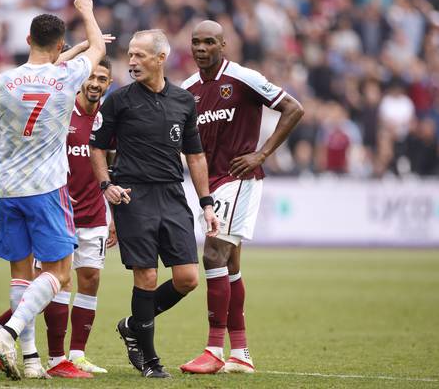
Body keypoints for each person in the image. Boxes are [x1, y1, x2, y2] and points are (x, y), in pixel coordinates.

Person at [0, 0, 105, 381]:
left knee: (21, 273)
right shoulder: (67, 78)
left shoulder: (0, 82)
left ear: (28, 38)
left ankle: (32, 360)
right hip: (47, 187)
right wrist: (85, 8)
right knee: (60, 273)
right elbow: (98, 48)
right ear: (61, 43)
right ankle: (10, 332)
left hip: (7, 187)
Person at [89, 29, 219, 378]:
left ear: (160, 58)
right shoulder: (118, 100)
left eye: (140, 55)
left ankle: (133, 324)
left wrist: (206, 203)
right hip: (133, 195)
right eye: (130, 55)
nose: (132, 61)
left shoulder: (183, 101)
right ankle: (150, 361)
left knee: (188, 278)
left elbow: (195, 156)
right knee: (146, 275)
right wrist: (106, 185)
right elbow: (97, 146)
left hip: (172, 194)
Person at [179, 20, 304, 374]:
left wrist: (262, 154)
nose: (201, 48)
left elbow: (294, 108)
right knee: (230, 266)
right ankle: (241, 353)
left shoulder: (244, 78)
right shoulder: (187, 89)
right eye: (195, 42)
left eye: (208, 42)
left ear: (223, 45)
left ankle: (214, 349)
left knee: (213, 255)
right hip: (210, 183)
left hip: (240, 178)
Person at [39, 57, 117, 378]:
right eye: (92, 77)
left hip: (95, 214)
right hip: (60, 213)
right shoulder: (61, 110)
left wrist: (114, 215)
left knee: (91, 280)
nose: (96, 83)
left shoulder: (109, 120)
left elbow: (111, 169)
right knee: (55, 282)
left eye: (103, 78)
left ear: (109, 83)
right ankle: (55, 358)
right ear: (82, 78)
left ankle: (78, 354)